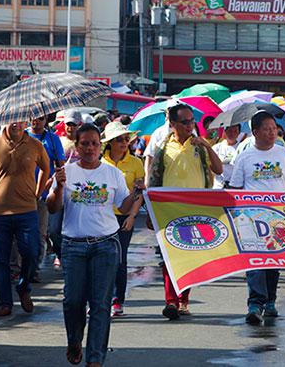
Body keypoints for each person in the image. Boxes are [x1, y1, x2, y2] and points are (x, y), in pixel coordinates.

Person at [47, 123, 142, 367]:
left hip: (105, 245)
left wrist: (135, 192)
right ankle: (74, 340)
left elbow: (122, 206)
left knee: (100, 304)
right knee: (73, 301)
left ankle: (95, 359)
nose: (90, 148)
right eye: (85, 144)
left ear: (101, 146)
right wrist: (59, 186)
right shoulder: (66, 172)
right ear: (76, 147)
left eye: (94, 144)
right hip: (74, 246)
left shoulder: (112, 174)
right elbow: (52, 207)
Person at [147, 103, 223, 320]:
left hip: (195, 209)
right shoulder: (163, 147)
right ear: (173, 124)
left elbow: (218, 169)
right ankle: (171, 301)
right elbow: (153, 179)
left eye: (192, 121)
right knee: (169, 256)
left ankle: (183, 300)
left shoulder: (200, 146)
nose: (190, 125)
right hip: (168, 209)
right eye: (185, 122)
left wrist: (206, 145)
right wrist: (150, 209)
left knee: (189, 255)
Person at [229, 111, 285, 325]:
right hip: (251, 219)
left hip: (278, 218)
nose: (272, 133)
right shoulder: (244, 157)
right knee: (255, 261)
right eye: (267, 129)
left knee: (272, 262)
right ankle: (255, 304)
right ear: (255, 132)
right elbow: (235, 189)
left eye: (274, 129)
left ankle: (270, 301)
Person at [0, 120, 50, 317]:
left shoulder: (35, 145)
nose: (17, 125)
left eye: (21, 122)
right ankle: (5, 302)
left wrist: (38, 192)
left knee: (31, 252)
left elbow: (46, 169)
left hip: (27, 210)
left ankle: (23, 288)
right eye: (13, 121)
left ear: (26, 122)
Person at [101, 122, 145, 317]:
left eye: (126, 139)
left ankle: (117, 300)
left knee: (119, 259)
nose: (123, 142)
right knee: (101, 260)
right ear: (110, 142)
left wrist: (132, 216)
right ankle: (100, 299)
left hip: (124, 217)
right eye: (119, 139)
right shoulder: (100, 162)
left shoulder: (136, 163)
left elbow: (139, 192)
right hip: (101, 217)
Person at [27, 115, 65, 276]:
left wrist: (50, 182)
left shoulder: (53, 139)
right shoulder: (23, 136)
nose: (36, 121)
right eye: (33, 118)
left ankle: (34, 269)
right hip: (23, 193)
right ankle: (20, 268)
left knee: (40, 233)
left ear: (46, 120)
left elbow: (60, 166)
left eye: (40, 118)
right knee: (22, 233)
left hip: (43, 194)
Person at [212, 125, 241, 189]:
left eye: (235, 131)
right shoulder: (216, 148)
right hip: (218, 186)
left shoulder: (242, 148)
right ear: (225, 131)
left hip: (235, 186)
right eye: (230, 131)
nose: (232, 133)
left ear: (239, 133)